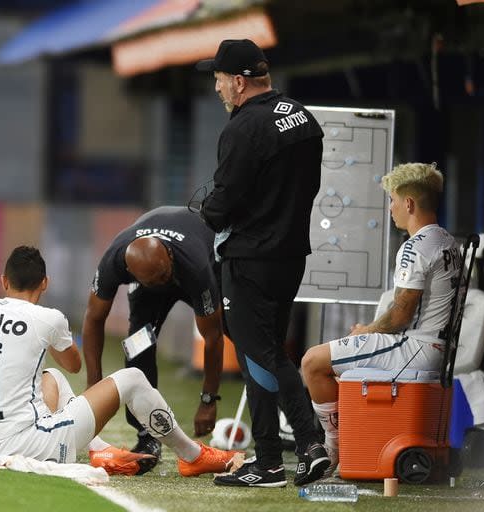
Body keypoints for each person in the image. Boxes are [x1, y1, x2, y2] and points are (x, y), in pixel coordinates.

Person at [0, 246, 238, 478]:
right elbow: (75, 366)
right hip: (35, 444)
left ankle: (100, 450)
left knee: (50, 378)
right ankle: (192, 455)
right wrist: (49, 338)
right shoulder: (49, 318)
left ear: (4, 281)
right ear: (44, 283)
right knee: (132, 377)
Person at [196, 39, 329, 487]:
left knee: (267, 355)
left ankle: (309, 444)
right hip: (290, 255)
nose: (216, 89)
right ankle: (269, 461)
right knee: (260, 356)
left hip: (250, 258)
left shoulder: (242, 128)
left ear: (238, 81)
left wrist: (209, 210)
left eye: (218, 79)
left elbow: (222, 205)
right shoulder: (303, 117)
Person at [301, 162, 461, 476]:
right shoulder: (448, 241)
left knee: (312, 362)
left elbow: (401, 315)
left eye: (392, 200)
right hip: (436, 349)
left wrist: (367, 330)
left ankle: (335, 449)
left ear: (410, 204)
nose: (390, 208)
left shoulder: (416, 247)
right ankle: (352, 444)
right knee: (333, 365)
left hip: (415, 347)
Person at [81, 206, 225, 471]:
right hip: (152, 279)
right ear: (131, 273)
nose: (162, 283)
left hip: (195, 267)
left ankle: (280, 423)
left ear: (168, 257)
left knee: (237, 332)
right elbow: (93, 319)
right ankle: (148, 437)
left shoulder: (194, 265)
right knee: (137, 348)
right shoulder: (115, 260)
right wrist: (94, 385)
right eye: (154, 280)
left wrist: (208, 400)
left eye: (163, 276)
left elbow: (213, 337)